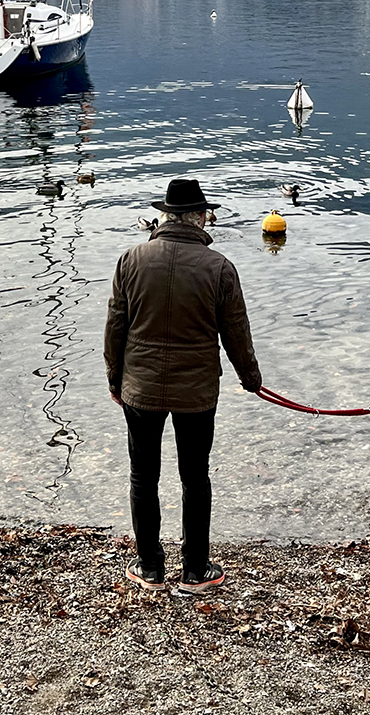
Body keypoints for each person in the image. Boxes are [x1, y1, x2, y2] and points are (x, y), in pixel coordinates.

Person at [104, 177, 262, 594]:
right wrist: (251, 378)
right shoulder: (220, 267)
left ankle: (150, 568)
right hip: (196, 393)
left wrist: (114, 377)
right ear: (200, 216)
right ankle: (195, 570)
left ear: (164, 216)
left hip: (140, 387)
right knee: (195, 477)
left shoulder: (131, 260)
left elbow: (115, 327)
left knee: (143, 475)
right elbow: (236, 333)